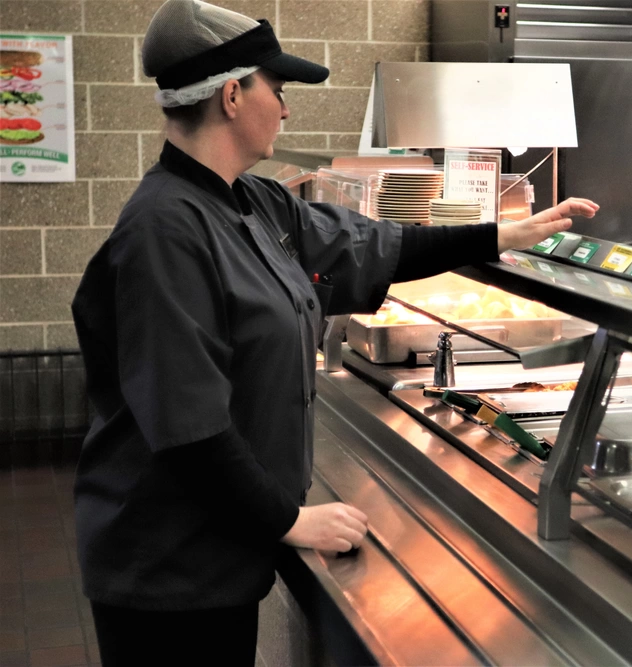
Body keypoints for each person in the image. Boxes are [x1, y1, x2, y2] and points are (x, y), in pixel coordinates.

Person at [69, 1, 598, 665]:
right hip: (168, 571)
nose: (286, 110)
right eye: (278, 90)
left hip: (216, 548)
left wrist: (501, 233)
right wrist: (291, 520)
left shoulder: (253, 202)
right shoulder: (164, 232)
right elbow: (188, 429)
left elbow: (373, 243)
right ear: (233, 95)